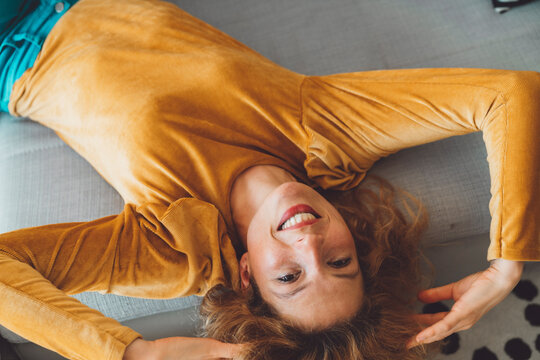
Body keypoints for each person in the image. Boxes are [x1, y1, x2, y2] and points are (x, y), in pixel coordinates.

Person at [0, 0, 538, 359]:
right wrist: (507, 263)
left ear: (246, 276)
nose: (308, 243)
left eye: (289, 278)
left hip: (15, 45)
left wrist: (131, 351)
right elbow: (507, 93)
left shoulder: (172, 244)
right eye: (338, 262)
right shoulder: (323, 131)